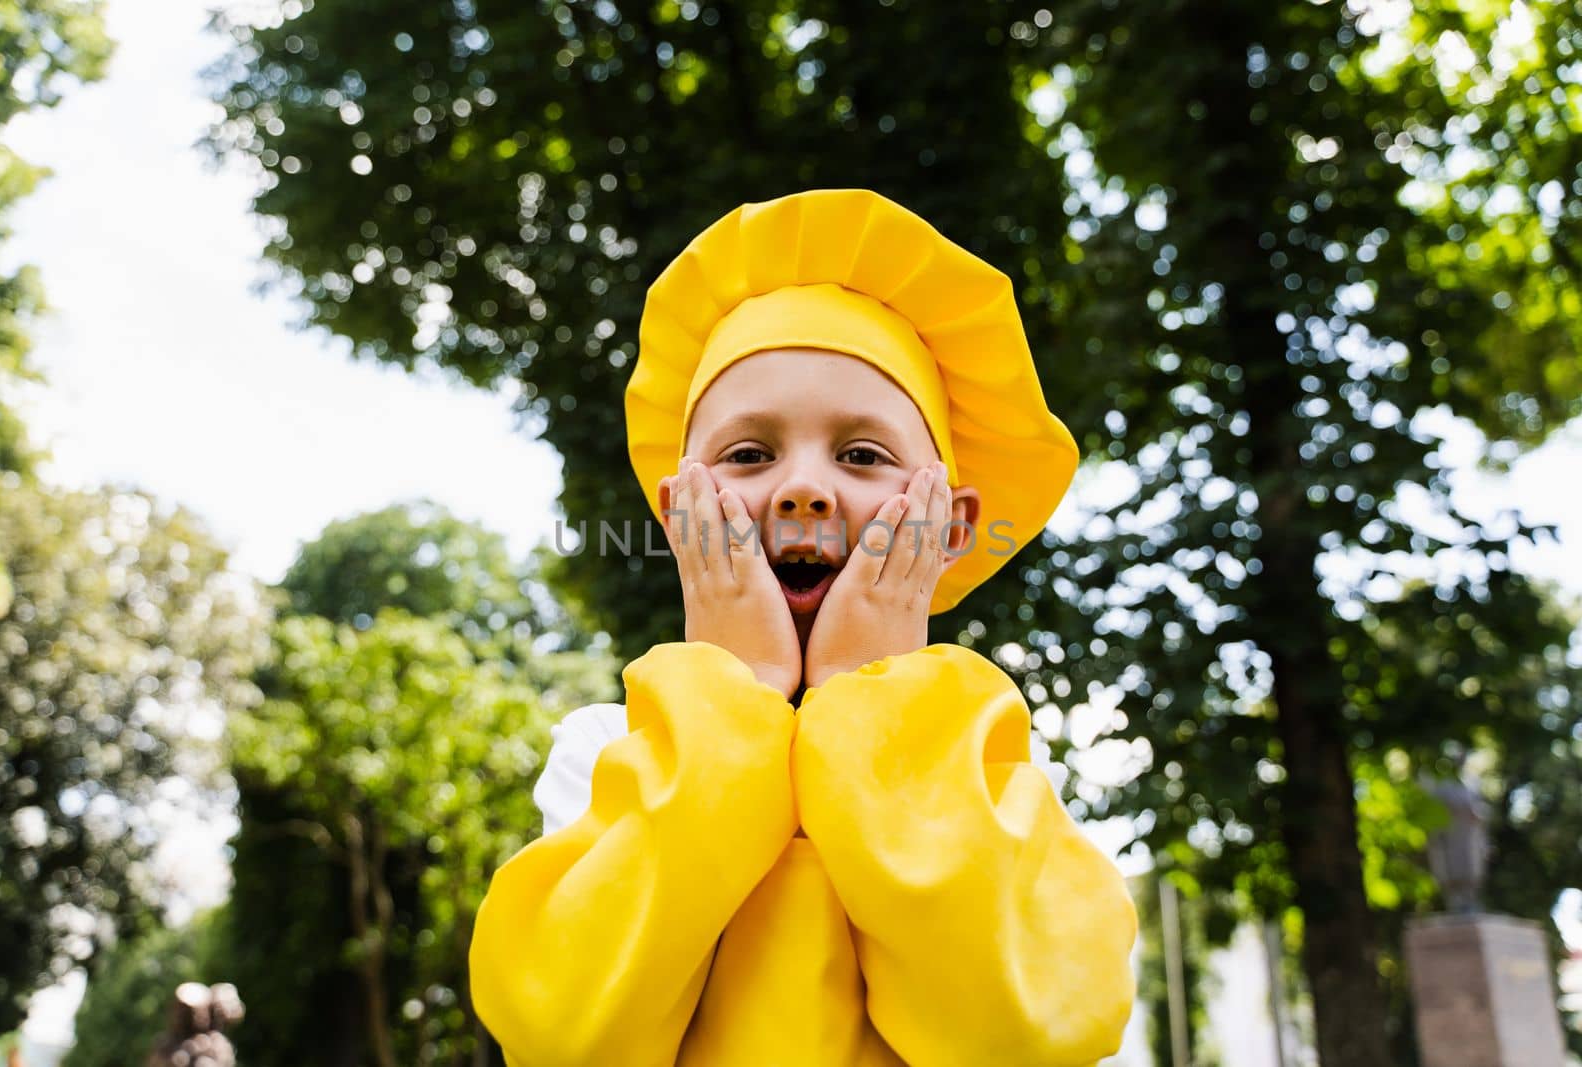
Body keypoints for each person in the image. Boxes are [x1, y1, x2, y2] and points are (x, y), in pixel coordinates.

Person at [468, 188, 1138, 1066]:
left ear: (951, 525)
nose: (803, 489)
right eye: (750, 454)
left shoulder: (993, 762)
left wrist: (878, 703)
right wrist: (731, 690)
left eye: (862, 454)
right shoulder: (606, 750)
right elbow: (567, 1032)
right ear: (681, 516)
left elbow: (1020, 1033)